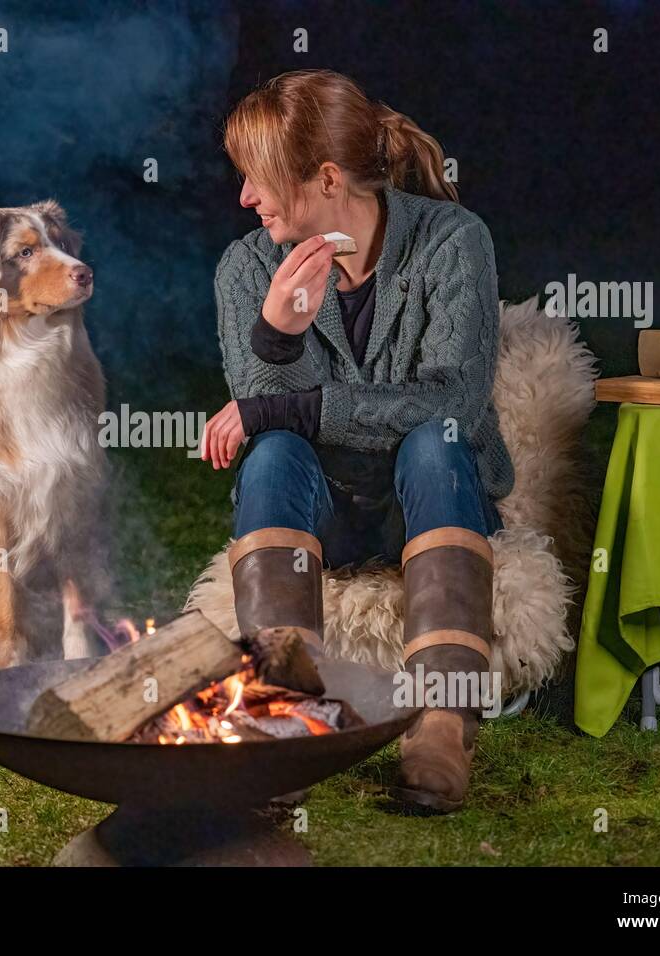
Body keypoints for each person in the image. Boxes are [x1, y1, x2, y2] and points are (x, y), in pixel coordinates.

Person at [201, 69, 512, 813]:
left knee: (434, 439)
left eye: (258, 177)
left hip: (432, 506)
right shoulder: (249, 266)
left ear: (328, 178)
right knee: (272, 453)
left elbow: (456, 405)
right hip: (323, 519)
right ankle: (283, 712)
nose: (245, 198)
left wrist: (290, 405)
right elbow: (267, 419)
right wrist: (276, 337)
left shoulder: (452, 242)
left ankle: (442, 720)